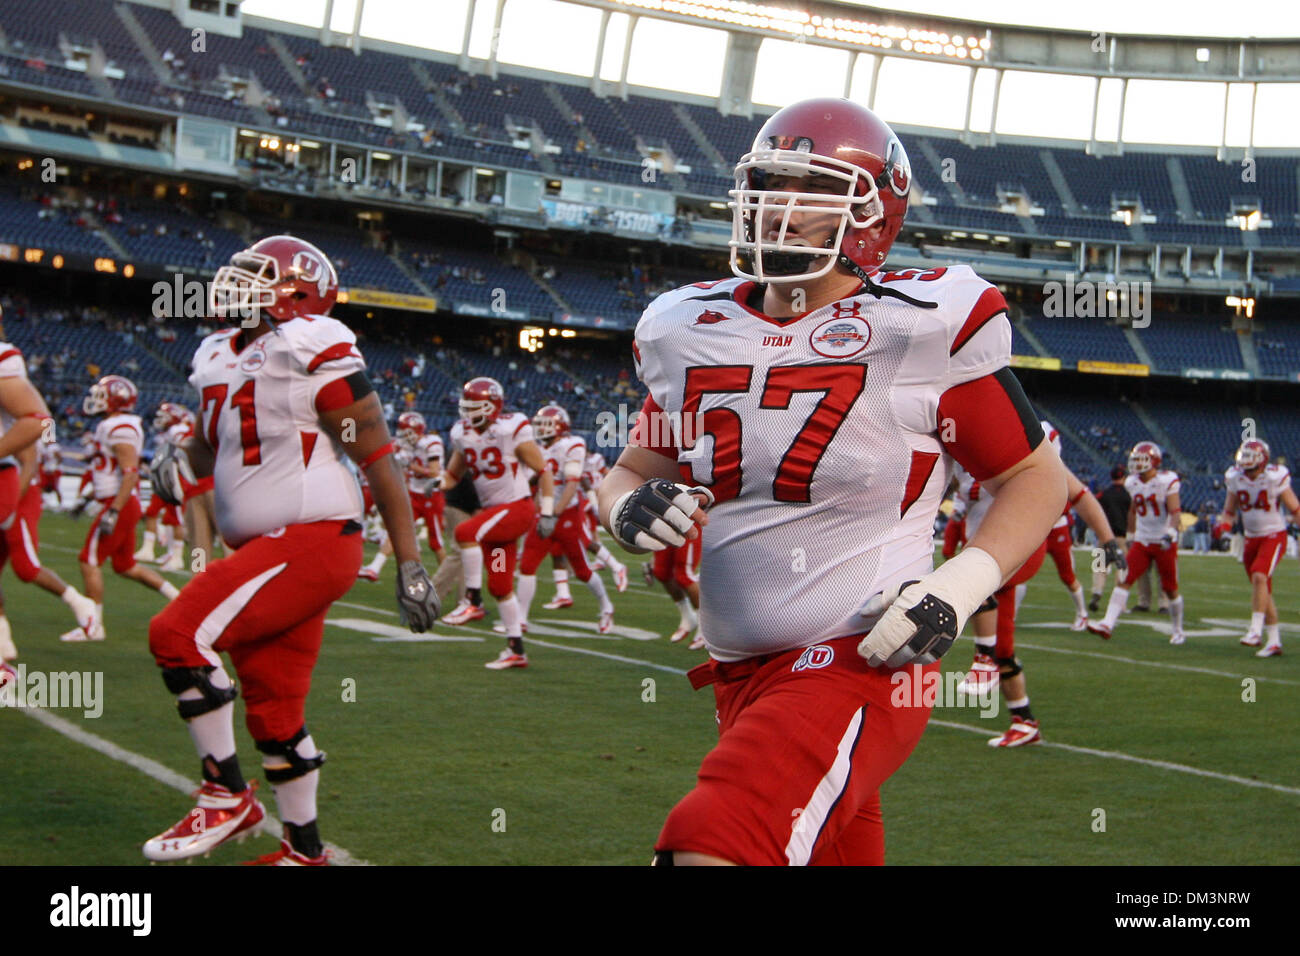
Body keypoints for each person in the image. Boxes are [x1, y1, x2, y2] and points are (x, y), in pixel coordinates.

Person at [598, 98, 1067, 865]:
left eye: (807, 190)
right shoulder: (686, 327)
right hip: (737, 676)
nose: (776, 208)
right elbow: (626, 474)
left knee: (710, 842)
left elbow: (1034, 478)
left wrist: (957, 585)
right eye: (767, 185)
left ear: (870, 215)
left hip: (864, 656)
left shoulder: (923, 323)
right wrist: (625, 509)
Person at [142, 235, 439, 865]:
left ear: (298, 292)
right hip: (271, 548)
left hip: (314, 538)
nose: (237, 285)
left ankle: (225, 796)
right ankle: (306, 852)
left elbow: (378, 457)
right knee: (273, 710)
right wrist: (177, 461)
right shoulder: (220, 353)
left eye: (256, 275)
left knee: (177, 634)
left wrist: (410, 562)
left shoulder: (312, 345)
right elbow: (211, 444)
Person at [438, 377, 554, 670]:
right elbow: (453, 475)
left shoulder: (510, 428)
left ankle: (472, 601)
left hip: (516, 509)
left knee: (465, 531)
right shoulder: (461, 434)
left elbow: (543, 469)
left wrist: (549, 511)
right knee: (501, 586)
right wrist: (435, 483)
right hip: (496, 517)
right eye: (466, 406)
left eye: (475, 406)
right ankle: (516, 650)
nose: (468, 412)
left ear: (493, 407)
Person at [62, 375, 179, 642]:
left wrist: (113, 511)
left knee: (88, 560)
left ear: (117, 398)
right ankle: (178, 597)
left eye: (103, 394)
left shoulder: (119, 426)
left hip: (120, 503)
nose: (97, 399)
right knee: (125, 566)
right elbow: (109, 471)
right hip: (120, 501)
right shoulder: (112, 424)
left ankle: (94, 626)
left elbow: (130, 474)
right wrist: (88, 498)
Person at [513, 405, 614, 633]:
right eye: (537, 425)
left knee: (581, 569)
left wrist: (555, 512)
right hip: (545, 513)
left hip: (567, 514)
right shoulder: (538, 448)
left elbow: (572, 482)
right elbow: (532, 482)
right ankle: (520, 619)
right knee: (528, 565)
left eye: (544, 425)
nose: (539, 430)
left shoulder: (572, 444)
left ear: (560, 426)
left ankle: (606, 607)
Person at [1087, 441, 1185, 644]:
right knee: (1125, 578)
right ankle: (1107, 623)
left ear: (1155, 461)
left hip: (1163, 540)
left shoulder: (1167, 480)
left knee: (1170, 588)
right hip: (1142, 539)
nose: (1137, 465)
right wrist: (1131, 534)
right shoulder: (1131, 482)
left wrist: (1170, 531)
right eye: (1136, 460)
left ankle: (1178, 630)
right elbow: (1133, 510)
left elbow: (1175, 511)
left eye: (1142, 460)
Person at [1218, 438, 1298, 657]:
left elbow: (1295, 508)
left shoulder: (1274, 477)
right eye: (1244, 456)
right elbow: (1229, 510)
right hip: (1251, 538)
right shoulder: (1235, 478)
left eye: (1250, 457)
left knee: (1259, 576)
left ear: (1262, 459)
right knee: (1263, 589)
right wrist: (1225, 527)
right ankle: (1274, 641)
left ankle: (1254, 630)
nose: (1246, 461)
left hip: (1273, 535)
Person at [358, 411, 444, 580]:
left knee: (436, 543)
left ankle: (446, 577)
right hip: (413, 494)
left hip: (431, 496)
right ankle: (374, 568)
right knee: (397, 531)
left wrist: (411, 467)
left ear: (418, 430)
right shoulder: (407, 448)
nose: (404, 436)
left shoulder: (432, 443)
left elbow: (435, 472)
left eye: (407, 432)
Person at [1089, 465, 1130, 613]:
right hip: (1120, 537)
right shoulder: (1128, 495)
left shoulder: (1104, 494)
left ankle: (1097, 592)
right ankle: (1120, 603)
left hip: (1103, 536)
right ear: (1124, 477)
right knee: (1122, 568)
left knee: (1099, 568)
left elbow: (1093, 507)